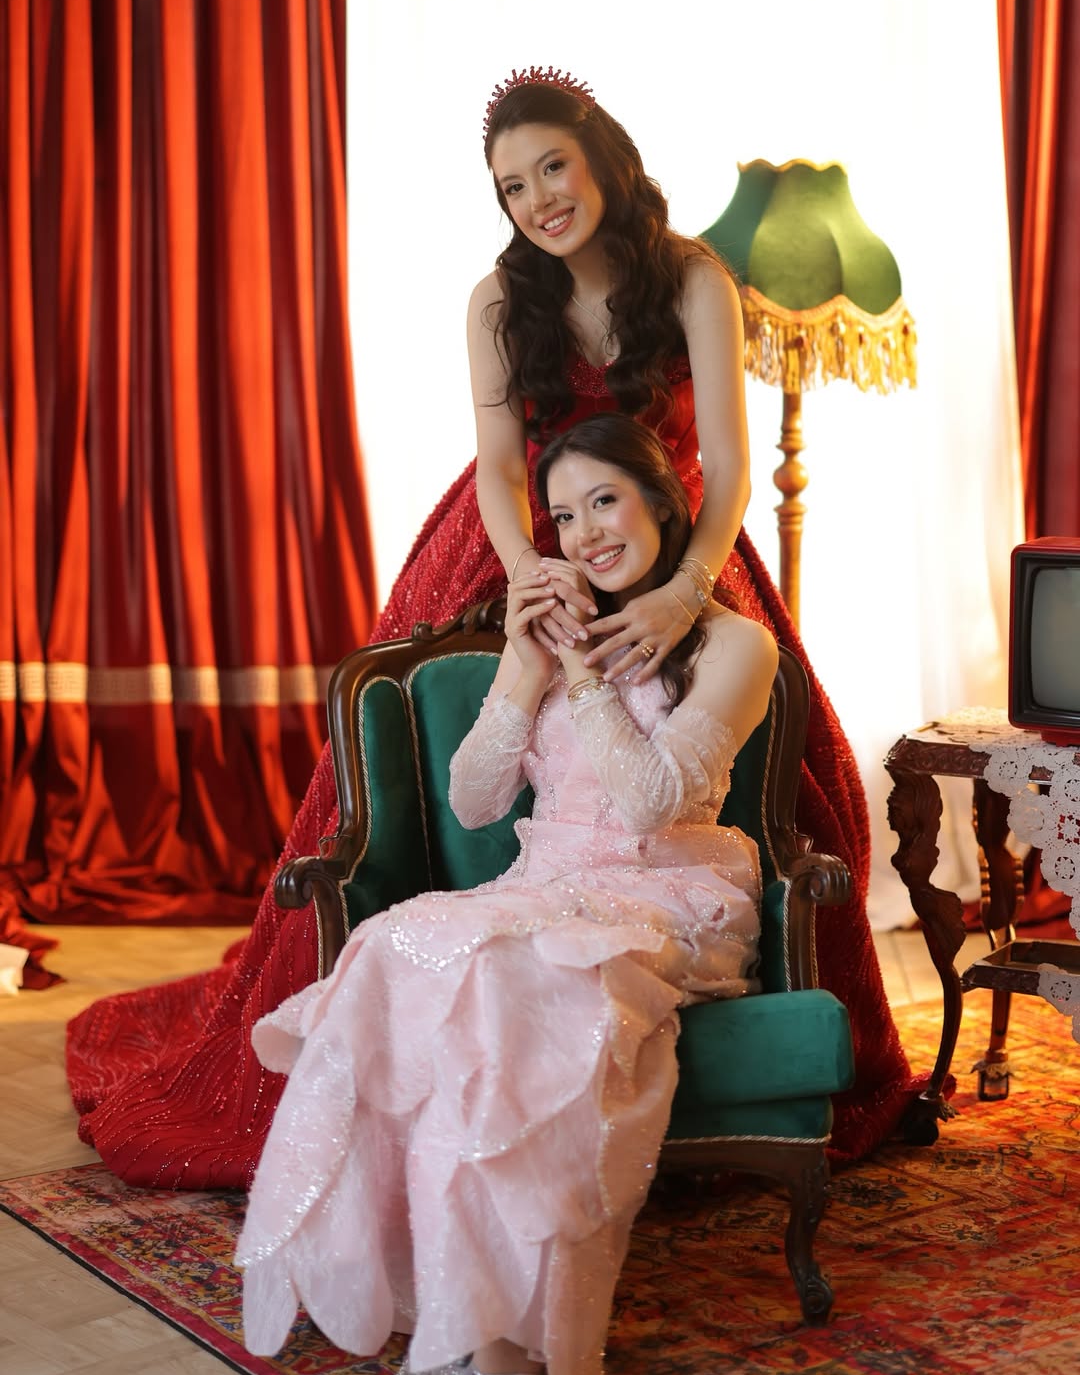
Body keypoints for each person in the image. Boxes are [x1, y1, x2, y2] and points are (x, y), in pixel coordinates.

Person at [65, 67, 915, 1192]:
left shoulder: (696, 278)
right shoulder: (496, 300)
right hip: (522, 539)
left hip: (673, 541)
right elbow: (503, 470)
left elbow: (730, 467)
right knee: (428, 762)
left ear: (603, 159)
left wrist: (682, 591)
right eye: (514, 186)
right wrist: (532, 581)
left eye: (553, 167)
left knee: (791, 784)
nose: (539, 199)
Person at [236, 414, 779, 1375]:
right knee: (397, 950)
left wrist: (581, 674)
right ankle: (471, 1329)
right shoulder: (543, 643)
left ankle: (511, 1358)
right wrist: (525, 671)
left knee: (508, 982)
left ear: (663, 503)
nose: (585, 533)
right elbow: (475, 802)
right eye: (563, 516)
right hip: (542, 888)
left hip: (667, 892)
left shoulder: (734, 644)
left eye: (605, 500)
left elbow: (652, 803)